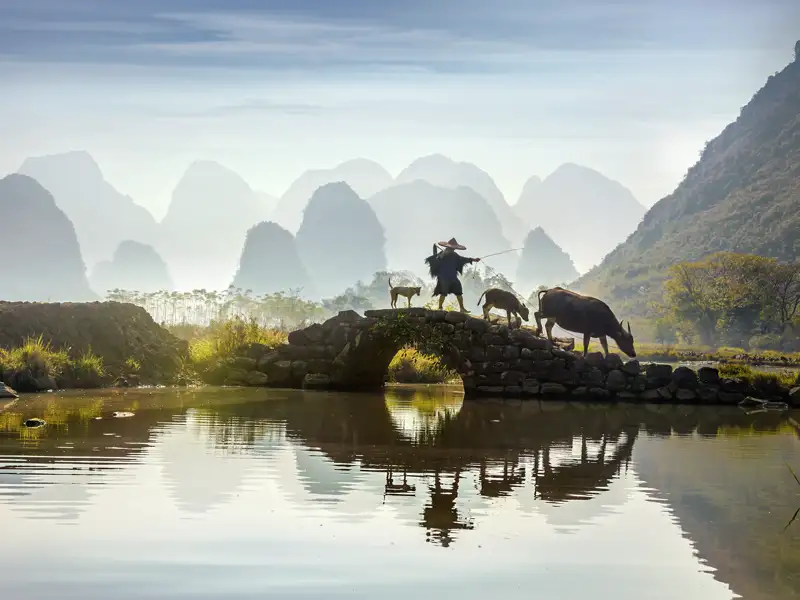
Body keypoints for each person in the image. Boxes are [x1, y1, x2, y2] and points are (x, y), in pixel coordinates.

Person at [425, 238, 481, 312]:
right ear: (448, 247)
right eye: (452, 248)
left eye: (454, 248)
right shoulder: (442, 254)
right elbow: (437, 260)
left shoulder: (454, 255)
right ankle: (440, 308)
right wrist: (442, 255)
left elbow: (462, 259)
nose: (453, 249)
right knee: (443, 293)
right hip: (444, 277)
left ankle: (462, 308)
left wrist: (473, 259)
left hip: (453, 277)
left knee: (459, 292)